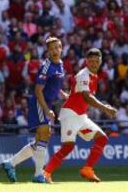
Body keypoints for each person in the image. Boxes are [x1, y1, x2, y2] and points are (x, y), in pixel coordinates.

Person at [44, 48, 117, 183]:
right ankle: (46, 173)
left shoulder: (94, 76)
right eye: (91, 61)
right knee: (68, 146)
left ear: (100, 61)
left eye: (96, 61)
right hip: (70, 114)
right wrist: (105, 108)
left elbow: (79, 94)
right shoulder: (84, 74)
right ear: (86, 62)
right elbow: (87, 96)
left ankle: (87, 169)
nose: (94, 64)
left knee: (102, 138)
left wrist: (70, 95)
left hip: (81, 116)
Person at [1, 37, 67, 183]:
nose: (56, 50)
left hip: (47, 103)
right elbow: (38, 90)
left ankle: (10, 163)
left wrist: (61, 93)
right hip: (39, 102)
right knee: (45, 133)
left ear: (61, 48)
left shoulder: (61, 64)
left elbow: (54, 83)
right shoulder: (46, 66)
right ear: (48, 51)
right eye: (53, 48)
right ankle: (38, 175)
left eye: (58, 47)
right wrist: (46, 110)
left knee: (41, 140)